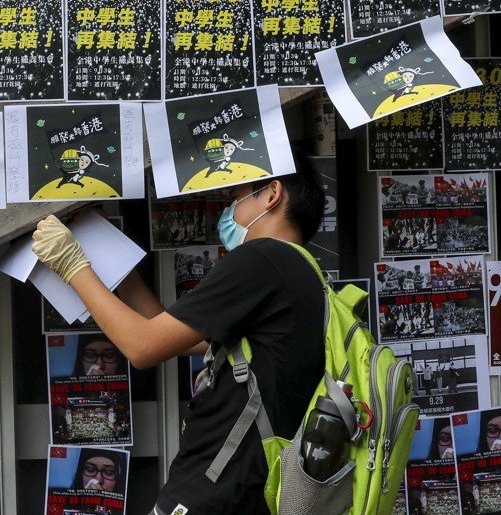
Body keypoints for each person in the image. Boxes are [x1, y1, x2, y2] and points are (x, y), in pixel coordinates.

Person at [31, 147, 326, 515]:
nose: (228, 210)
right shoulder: (304, 275)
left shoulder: (260, 259)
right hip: (248, 490)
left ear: (272, 194)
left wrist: (72, 264)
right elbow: (166, 330)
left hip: (213, 491)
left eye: (235, 196)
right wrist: (112, 262)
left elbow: (142, 346)